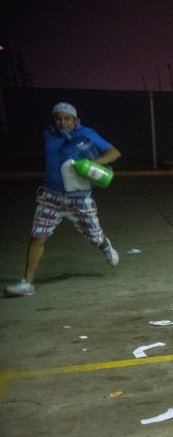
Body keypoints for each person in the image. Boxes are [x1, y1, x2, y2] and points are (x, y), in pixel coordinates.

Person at [6, 102, 121, 297]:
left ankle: (104, 245)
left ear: (75, 120)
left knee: (94, 237)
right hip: (50, 196)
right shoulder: (48, 134)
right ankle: (27, 283)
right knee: (38, 236)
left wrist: (92, 164)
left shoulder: (87, 134)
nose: (62, 122)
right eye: (58, 118)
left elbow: (114, 153)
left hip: (79, 197)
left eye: (67, 118)